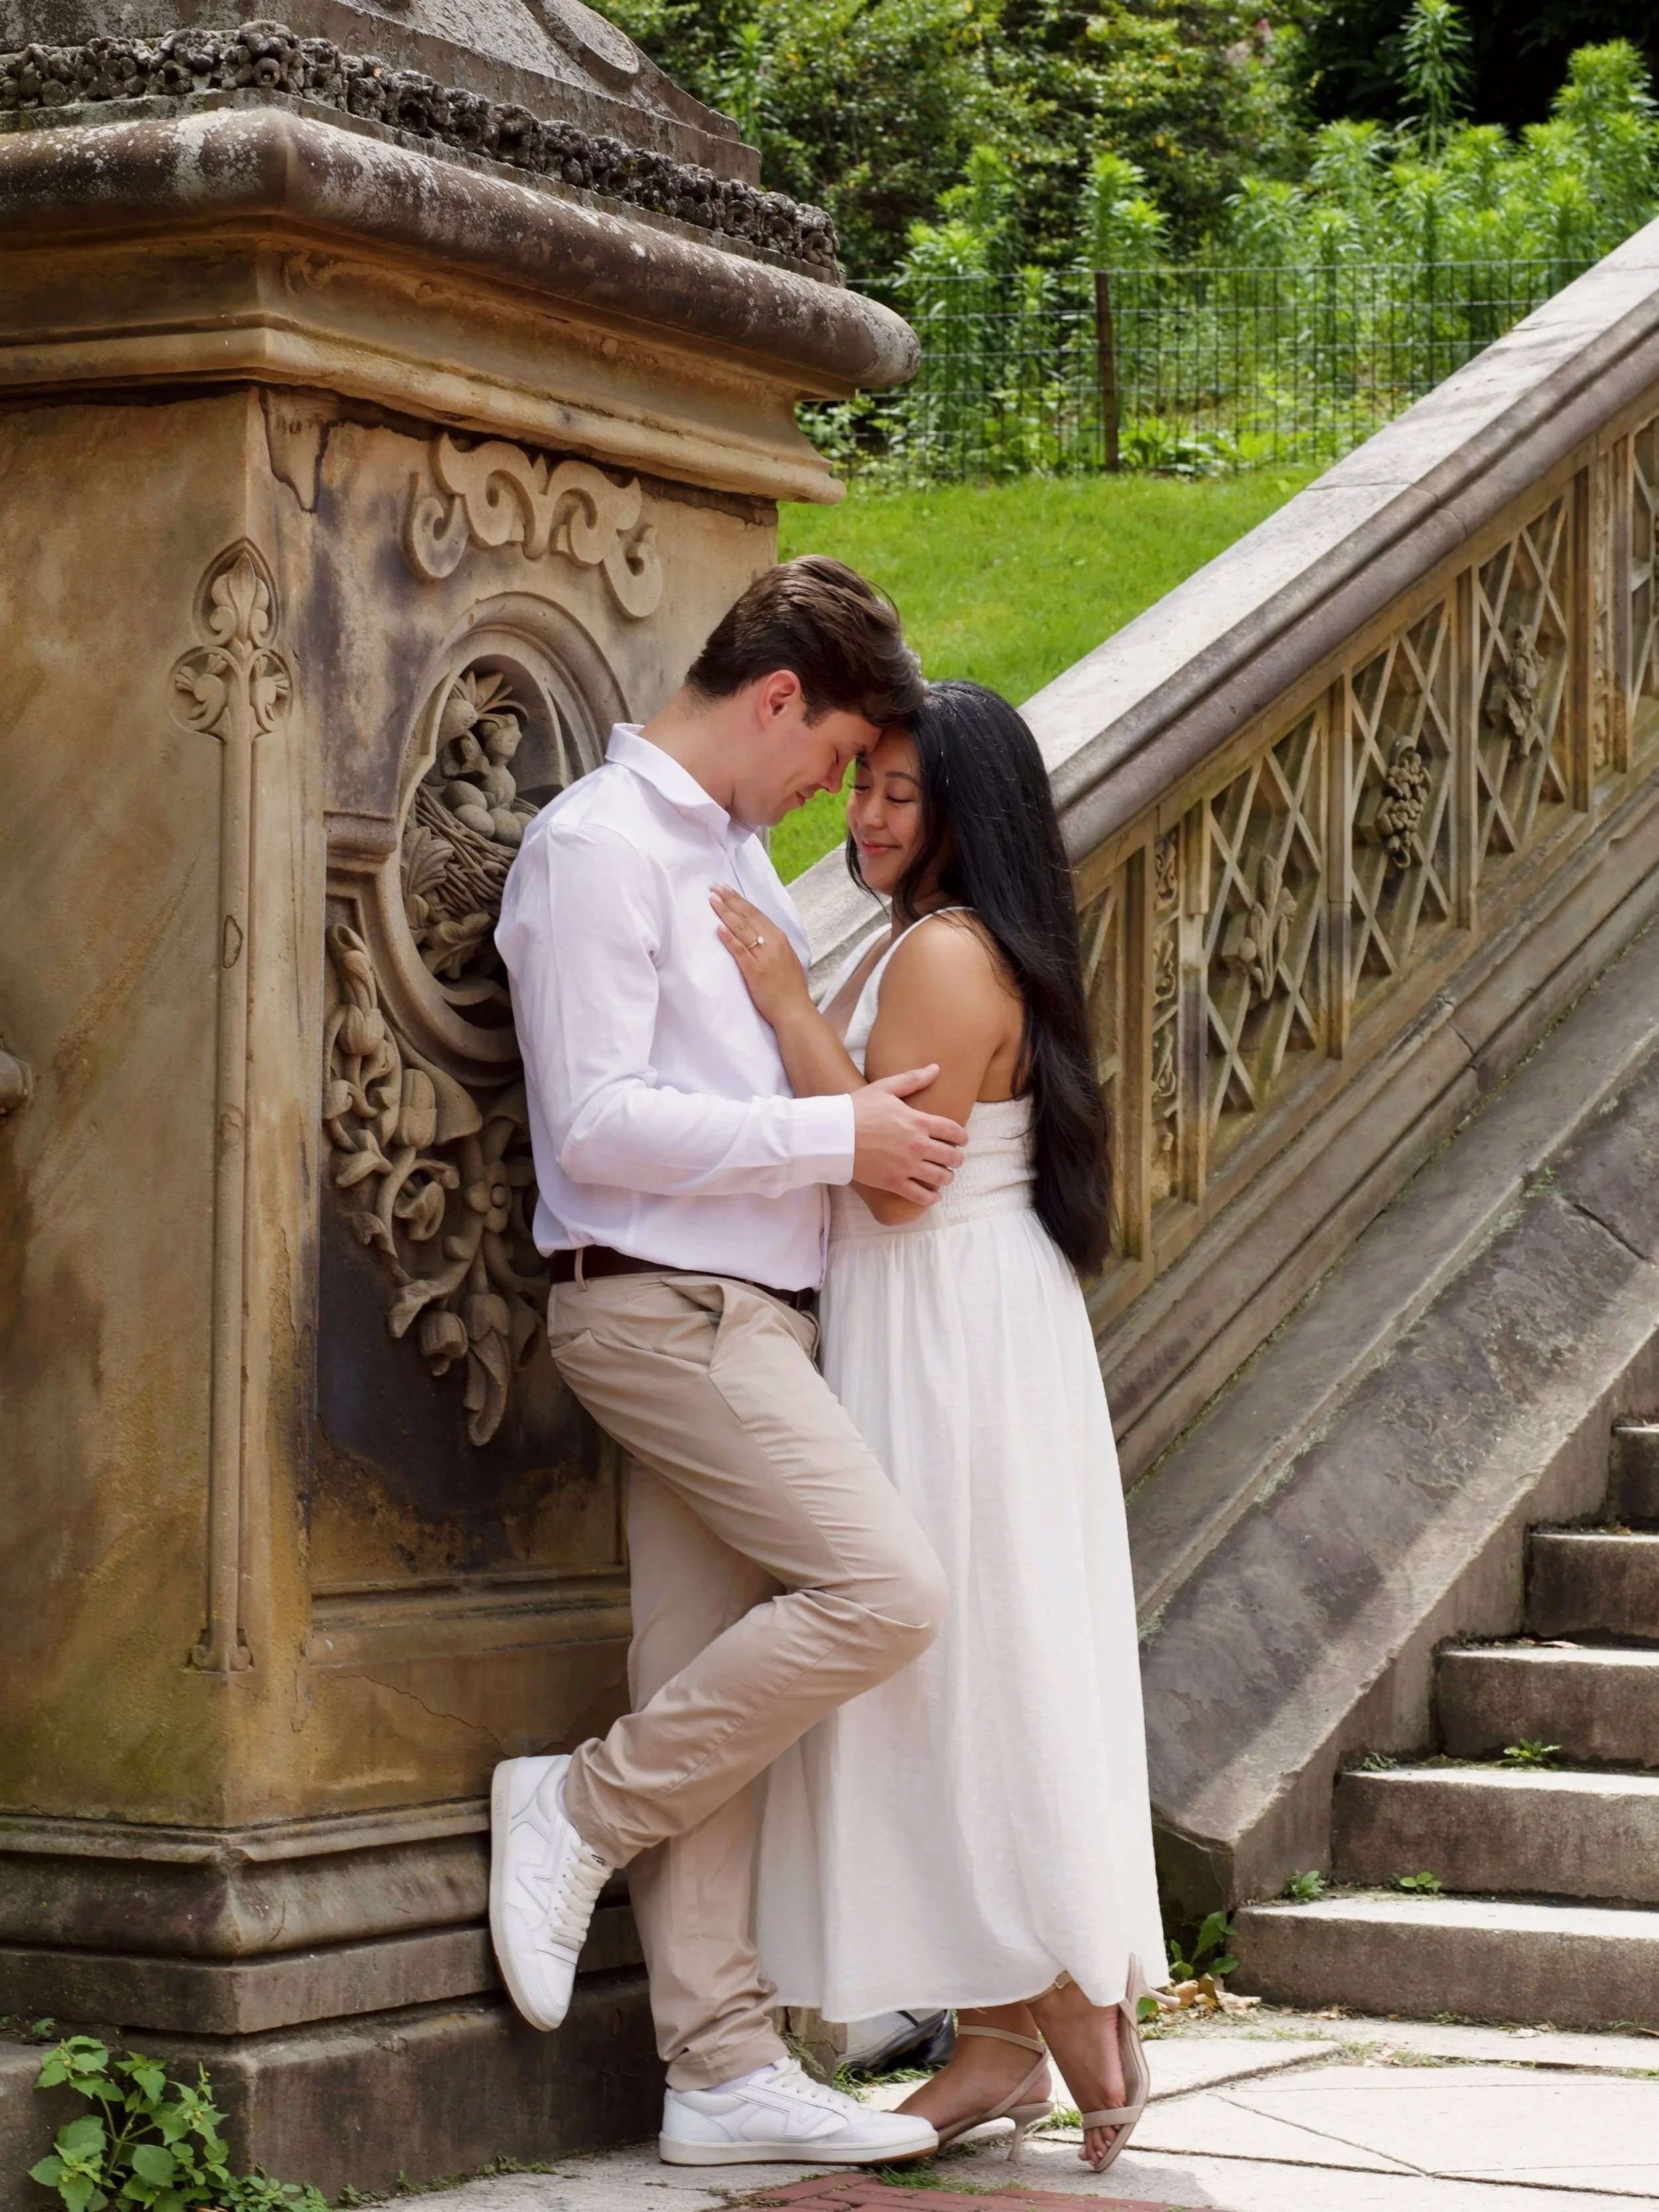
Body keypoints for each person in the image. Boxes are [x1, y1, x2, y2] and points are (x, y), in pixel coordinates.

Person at [491, 558, 968, 2170]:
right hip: (658, 1308)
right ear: (777, 698)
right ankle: (575, 1807)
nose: (837, 788)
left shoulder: (734, 857)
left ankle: (717, 2068)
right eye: (833, 752)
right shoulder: (595, 848)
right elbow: (593, 1124)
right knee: (884, 1589)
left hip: (752, 1312)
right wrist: (835, 1135)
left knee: (705, 1679)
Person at [711, 680, 1168, 2177]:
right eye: (863, 786)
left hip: (942, 1325)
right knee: (967, 1664)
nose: (866, 814)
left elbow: (895, 1181)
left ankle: (1068, 1998)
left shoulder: (945, 953)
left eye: (898, 793)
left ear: (968, 813)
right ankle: (997, 2042)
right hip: (961, 1322)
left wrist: (785, 1000)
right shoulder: (957, 940)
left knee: (951, 1673)